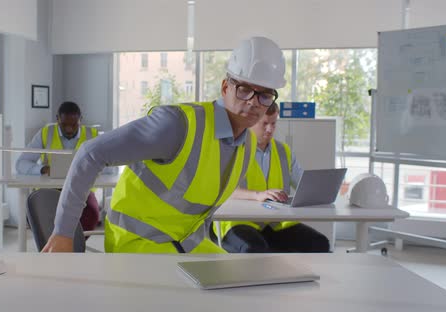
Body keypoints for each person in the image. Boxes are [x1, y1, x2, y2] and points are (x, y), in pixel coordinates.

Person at [41, 37, 287, 253]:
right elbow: (89, 153)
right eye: (244, 90)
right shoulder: (178, 125)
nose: (254, 102)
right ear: (225, 87)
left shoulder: (245, 146)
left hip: (185, 242)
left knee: (241, 284)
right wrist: (63, 234)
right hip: (137, 242)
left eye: (264, 95)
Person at [212, 103, 330, 253]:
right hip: (238, 222)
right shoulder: (233, 148)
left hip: (275, 223)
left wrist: (320, 190)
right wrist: (257, 195)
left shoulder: (283, 151)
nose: (269, 129)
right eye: (265, 124)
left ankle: (300, 277)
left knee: (318, 243)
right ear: (252, 121)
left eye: (273, 124)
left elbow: (302, 183)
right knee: (254, 249)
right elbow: (223, 188)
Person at [16, 101, 100, 231]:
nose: (69, 129)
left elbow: (111, 168)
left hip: (83, 189)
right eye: (64, 125)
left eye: (73, 125)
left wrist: (91, 168)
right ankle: (55, 246)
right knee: (36, 214)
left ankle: (71, 247)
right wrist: (42, 169)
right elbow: (21, 163)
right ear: (57, 119)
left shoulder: (93, 135)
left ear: (80, 120)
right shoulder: (45, 133)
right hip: (50, 188)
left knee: (91, 214)